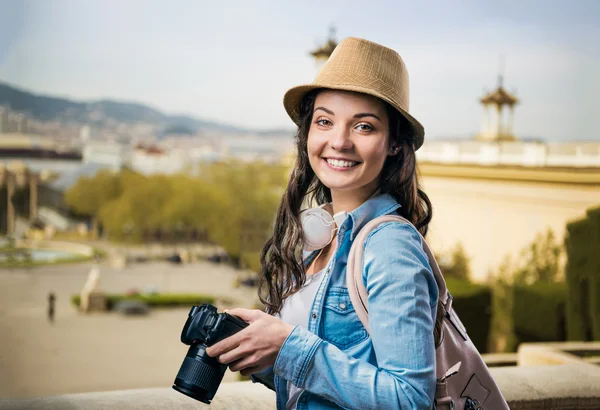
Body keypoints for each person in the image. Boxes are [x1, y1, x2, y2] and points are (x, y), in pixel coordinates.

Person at [206, 37, 439, 409]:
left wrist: (289, 347)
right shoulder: (319, 234)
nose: (339, 141)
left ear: (394, 143)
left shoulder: (389, 246)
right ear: (308, 133)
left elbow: (409, 400)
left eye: (363, 127)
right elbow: (323, 383)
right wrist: (259, 348)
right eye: (325, 121)